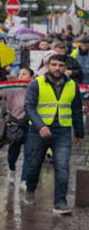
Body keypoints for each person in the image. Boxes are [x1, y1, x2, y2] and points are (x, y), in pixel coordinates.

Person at [23, 54, 84, 214]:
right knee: (33, 165)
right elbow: (29, 107)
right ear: (47, 66)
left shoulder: (72, 85)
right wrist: (40, 126)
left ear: (65, 67)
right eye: (54, 65)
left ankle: (60, 202)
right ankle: (30, 188)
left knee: (63, 166)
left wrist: (79, 132)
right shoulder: (36, 84)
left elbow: (77, 109)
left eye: (61, 65)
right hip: (38, 132)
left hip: (62, 130)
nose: (57, 68)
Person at [0, 67, 32, 185]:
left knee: (29, 153)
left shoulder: (36, 89)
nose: (21, 76)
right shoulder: (12, 89)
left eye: (24, 74)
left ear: (31, 77)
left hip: (31, 126)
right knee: (13, 154)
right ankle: (11, 169)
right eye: (19, 74)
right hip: (15, 126)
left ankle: (24, 179)